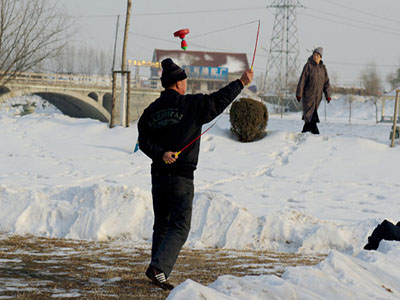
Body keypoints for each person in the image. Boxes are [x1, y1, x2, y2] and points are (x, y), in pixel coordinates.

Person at [138, 58, 253, 290]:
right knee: (180, 225)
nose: (186, 85)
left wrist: (161, 154)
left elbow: (143, 141)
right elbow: (218, 100)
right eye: (185, 81)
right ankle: (159, 268)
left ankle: (156, 268)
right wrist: (241, 83)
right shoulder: (192, 104)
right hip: (181, 177)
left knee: (162, 224)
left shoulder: (150, 111)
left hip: (159, 176)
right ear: (178, 83)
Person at [296, 47, 331, 134]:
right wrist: (299, 93)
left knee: (310, 120)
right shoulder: (308, 66)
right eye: (314, 55)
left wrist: (328, 95)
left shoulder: (323, 69)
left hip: (317, 98)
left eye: (317, 55)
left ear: (320, 57)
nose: (315, 57)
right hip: (308, 96)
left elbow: (326, 83)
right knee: (310, 118)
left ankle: (305, 136)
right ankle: (315, 136)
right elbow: (302, 80)